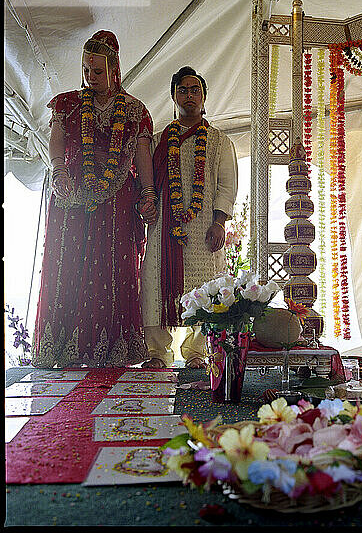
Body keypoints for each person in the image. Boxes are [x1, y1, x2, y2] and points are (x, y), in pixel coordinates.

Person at [32, 30, 157, 368]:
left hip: (116, 199)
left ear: (115, 70)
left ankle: (110, 350)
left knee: (113, 267)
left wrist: (147, 193)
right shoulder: (68, 103)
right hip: (71, 193)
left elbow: (142, 153)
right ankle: (62, 349)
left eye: (97, 71)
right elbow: (55, 141)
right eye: (86, 70)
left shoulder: (134, 110)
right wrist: (58, 172)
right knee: (68, 264)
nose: (90, 77)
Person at [140, 66, 238, 368]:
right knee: (155, 283)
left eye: (195, 89)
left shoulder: (220, 141)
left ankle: (197, 353)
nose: (189, 95)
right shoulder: (156, 142)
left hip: (204, 226)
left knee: (203, 285)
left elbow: (227, 183)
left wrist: (220, 221)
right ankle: (157, 353)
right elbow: (145, 184)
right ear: (173, 96)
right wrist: (146, 203)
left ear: (204, 97)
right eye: (182, 89)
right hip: (163, 228)